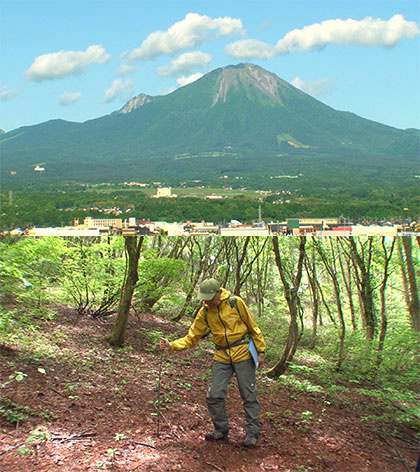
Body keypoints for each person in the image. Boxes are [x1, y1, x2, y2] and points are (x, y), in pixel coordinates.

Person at [160, 278, 266, 448]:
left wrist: (261, 351)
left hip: (243, 352)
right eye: (205, 297)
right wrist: (172, 345)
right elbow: (192, 337)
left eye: (210, 297)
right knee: (214, 395)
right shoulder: (205, 311)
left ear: (219, 292)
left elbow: (253, 327)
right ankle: (221, 429)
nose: (207, 300)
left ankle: (252, 433)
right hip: (221, 355)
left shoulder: (235, 303)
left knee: (248, 394)